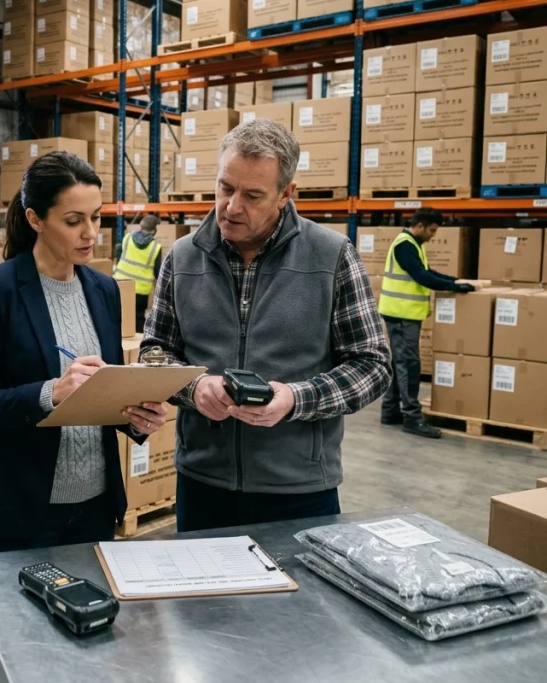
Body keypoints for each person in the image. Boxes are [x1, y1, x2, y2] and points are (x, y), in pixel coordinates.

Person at [0, 151, 170, 683]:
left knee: (85, 649)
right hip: (19, 509)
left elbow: (106, 393)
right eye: (74, 220)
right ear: (35, 219)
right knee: (11, 655)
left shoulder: (102, 289)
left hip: (93, 507)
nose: (91, 233)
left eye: (97, 217)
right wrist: (51, 390)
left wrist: (137, 415)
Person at [141, 119, 393, 533]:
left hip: (299, 490)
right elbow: (154, 352)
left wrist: (296, 398)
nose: (231, 206)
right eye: (225, 188)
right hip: (203, 485)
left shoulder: (331, 257)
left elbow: (373, 365)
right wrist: (193, 387)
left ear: (285, 195)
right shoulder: (182, 258)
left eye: (252, 195)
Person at [379, 208, 476, 439]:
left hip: (404, 315)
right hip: (402, 315)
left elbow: (426, 271)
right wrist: (455, 287)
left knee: (399, 364)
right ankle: (412, 417)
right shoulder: (405, 245)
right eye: (432, 230)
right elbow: (421, 277)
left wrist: (455, 281)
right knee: (409, 365)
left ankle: (390, 411)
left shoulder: (415, 244)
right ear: (420, 225)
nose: (433, 235)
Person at [114, 214, 162, 333]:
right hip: (140, 290)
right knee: (139, 319)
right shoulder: (155, 246)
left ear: (141, 226)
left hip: (120, 285)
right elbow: (158, 271)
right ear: (155, 230)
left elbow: (118, 252)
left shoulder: (127, 238)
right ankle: (136, 347)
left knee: (118, 316)